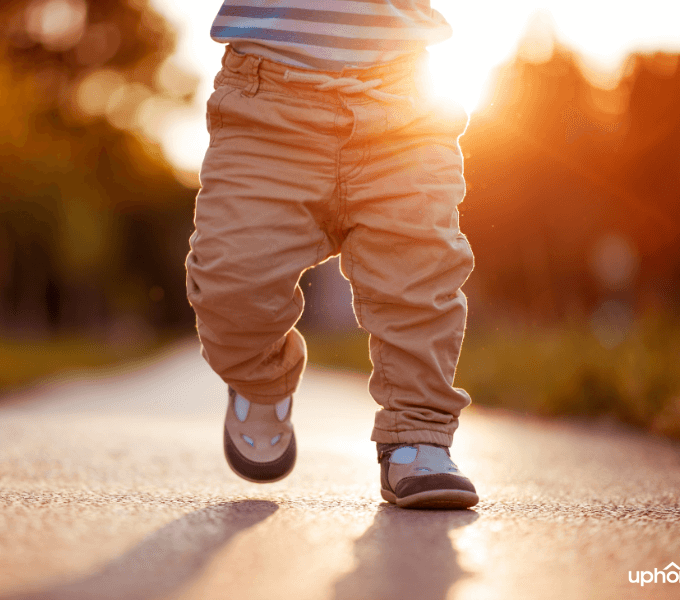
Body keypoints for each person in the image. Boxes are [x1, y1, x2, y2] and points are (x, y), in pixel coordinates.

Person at [185, 0, 479, 509]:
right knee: (231, 278)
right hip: (265, 104)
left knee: (419, 276)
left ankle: (416, 436)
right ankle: (260, 378)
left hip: (402, 102)